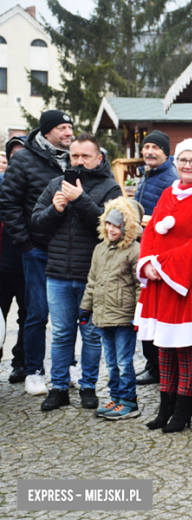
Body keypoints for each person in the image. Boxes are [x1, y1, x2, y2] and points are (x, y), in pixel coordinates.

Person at [30, 133, 123, 411]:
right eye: (74, 156)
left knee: (92, 335)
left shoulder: (111, 188)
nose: (79, 161)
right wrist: (56, 209)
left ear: (99, 158)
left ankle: (88, 387)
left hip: (93, 277)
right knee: (60, 334)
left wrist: (80, 199)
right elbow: (36, 224)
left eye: (85, 156)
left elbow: (111, 229)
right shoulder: (55, 185)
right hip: (57, 273)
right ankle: (58, 388)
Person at [138, 138, 192, 434]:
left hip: (187, 278)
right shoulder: (168, 191)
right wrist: (147, 262)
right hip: (160, 278)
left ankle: (184, 408)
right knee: (163, 345)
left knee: (184, 346)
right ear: (176, 163)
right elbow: (150, 230)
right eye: (183, 160)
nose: (188, 165)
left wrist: (162, 265)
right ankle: (166, 406)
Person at [0, 111, 73, 396]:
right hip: (35, 250)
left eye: (70, 127)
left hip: (68, 251)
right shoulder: (24, 159)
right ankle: (33, 371)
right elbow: (9, 203)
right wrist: (25, 243)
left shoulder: (72, 158)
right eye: (63, 128)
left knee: (70, 315)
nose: (69, 133)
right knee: (36, 312)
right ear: (47, 132)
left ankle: (69, 368)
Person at [80, 197, 143, 420]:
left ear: (127, 226)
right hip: (103, 315)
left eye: (117, 225)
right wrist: (85, 308)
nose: (111, 229)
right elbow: (92, 281)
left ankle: (129, 400)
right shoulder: (100, 249)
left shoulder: (134, 250)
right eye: (108, 223)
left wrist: (139, 315)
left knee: (124, 362)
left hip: (124, 317)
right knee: (112, 361)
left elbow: (139, 286)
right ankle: (116, 398)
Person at [134, 130, 178, 387]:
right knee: (146, 311)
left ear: (165, 152)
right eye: (146, 146)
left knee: (154, 312)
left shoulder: (168, 179)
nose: (149, 151)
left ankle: (158, 367)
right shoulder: (148, 175)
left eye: (155, 148)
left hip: (158, 256)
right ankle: (153, 364)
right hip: (146, 251)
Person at [0, 136, 28, 384]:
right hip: (1, 265)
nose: (16, 158)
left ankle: (20, 363)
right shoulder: (1, 183)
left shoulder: (32, 185)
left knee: (27, 316)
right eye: (13, 154)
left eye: (22, 153)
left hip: (26, 264)